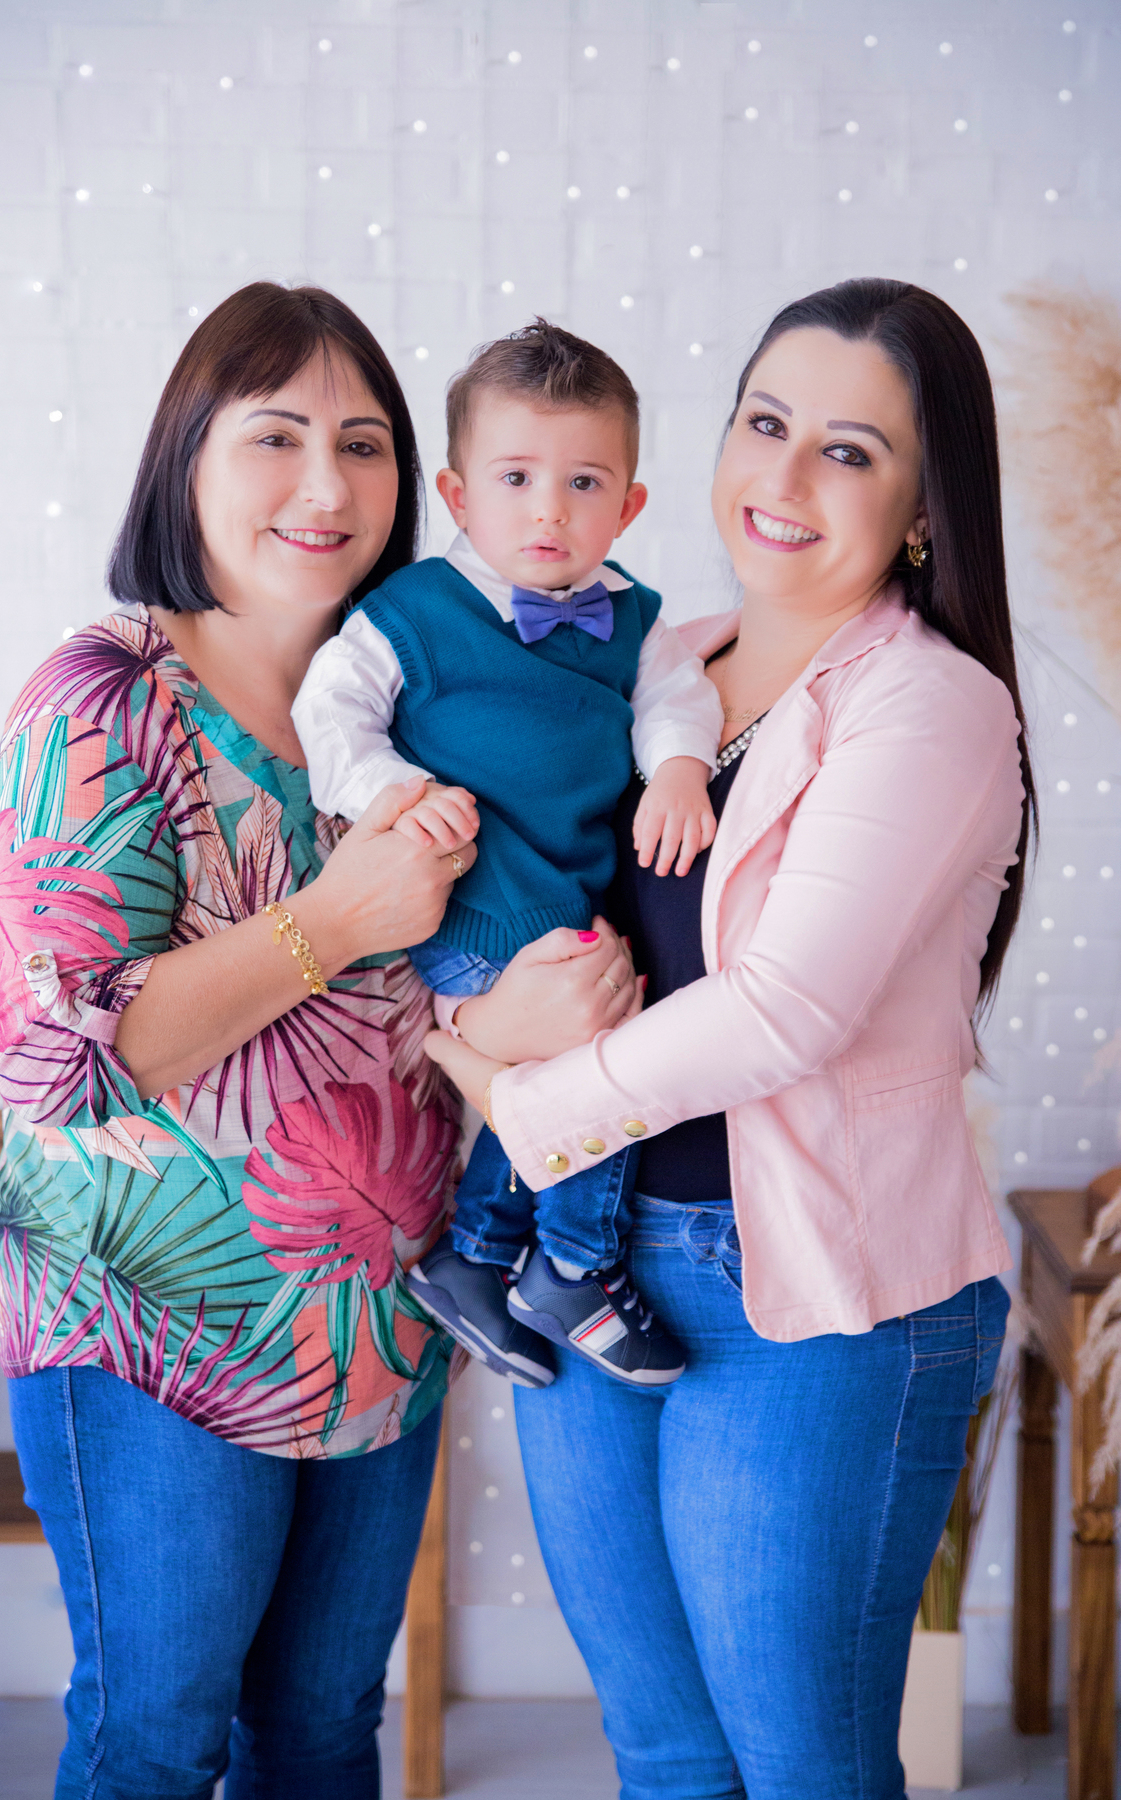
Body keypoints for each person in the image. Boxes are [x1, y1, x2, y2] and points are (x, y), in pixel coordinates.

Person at [0, 281, 635, 1800]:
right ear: (185, 460)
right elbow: (57, 1066)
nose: (329, 486)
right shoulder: (104, 702)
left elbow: (411, 1007)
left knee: (324, 1734)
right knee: (156, 1738)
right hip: (155, 1332)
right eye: (277, 439)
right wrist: (328, 921)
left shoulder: (405, 709)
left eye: (366, 443)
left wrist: (493, 1030)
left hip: (381, 1320)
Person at [426, 278, 1032, 1800]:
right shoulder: (651, 664)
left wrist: (512, 1090)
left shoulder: (934, 705)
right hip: (595, 1259)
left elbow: (787, 1013)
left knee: (801, 1765)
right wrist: (466, 1022)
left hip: (814, 1305)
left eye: (847, 449)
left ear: (919, 509)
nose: (781, 475)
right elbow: (495, 896)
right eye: (765, 422)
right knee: (664, 1753)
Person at [292, 320, 722, 1392]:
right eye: (517, 477)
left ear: (627, 506)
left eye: (584, 483)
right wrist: (393, 792)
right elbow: (330, 712)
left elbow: (680, 700)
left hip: (567, 894)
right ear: (457, 493)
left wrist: (676, 767)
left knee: (560, 1060)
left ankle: (478, 1258)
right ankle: (575, 1265)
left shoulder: (636, 621)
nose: (549, 509)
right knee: (598, 1070)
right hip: (474, 895)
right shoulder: (412, 614)